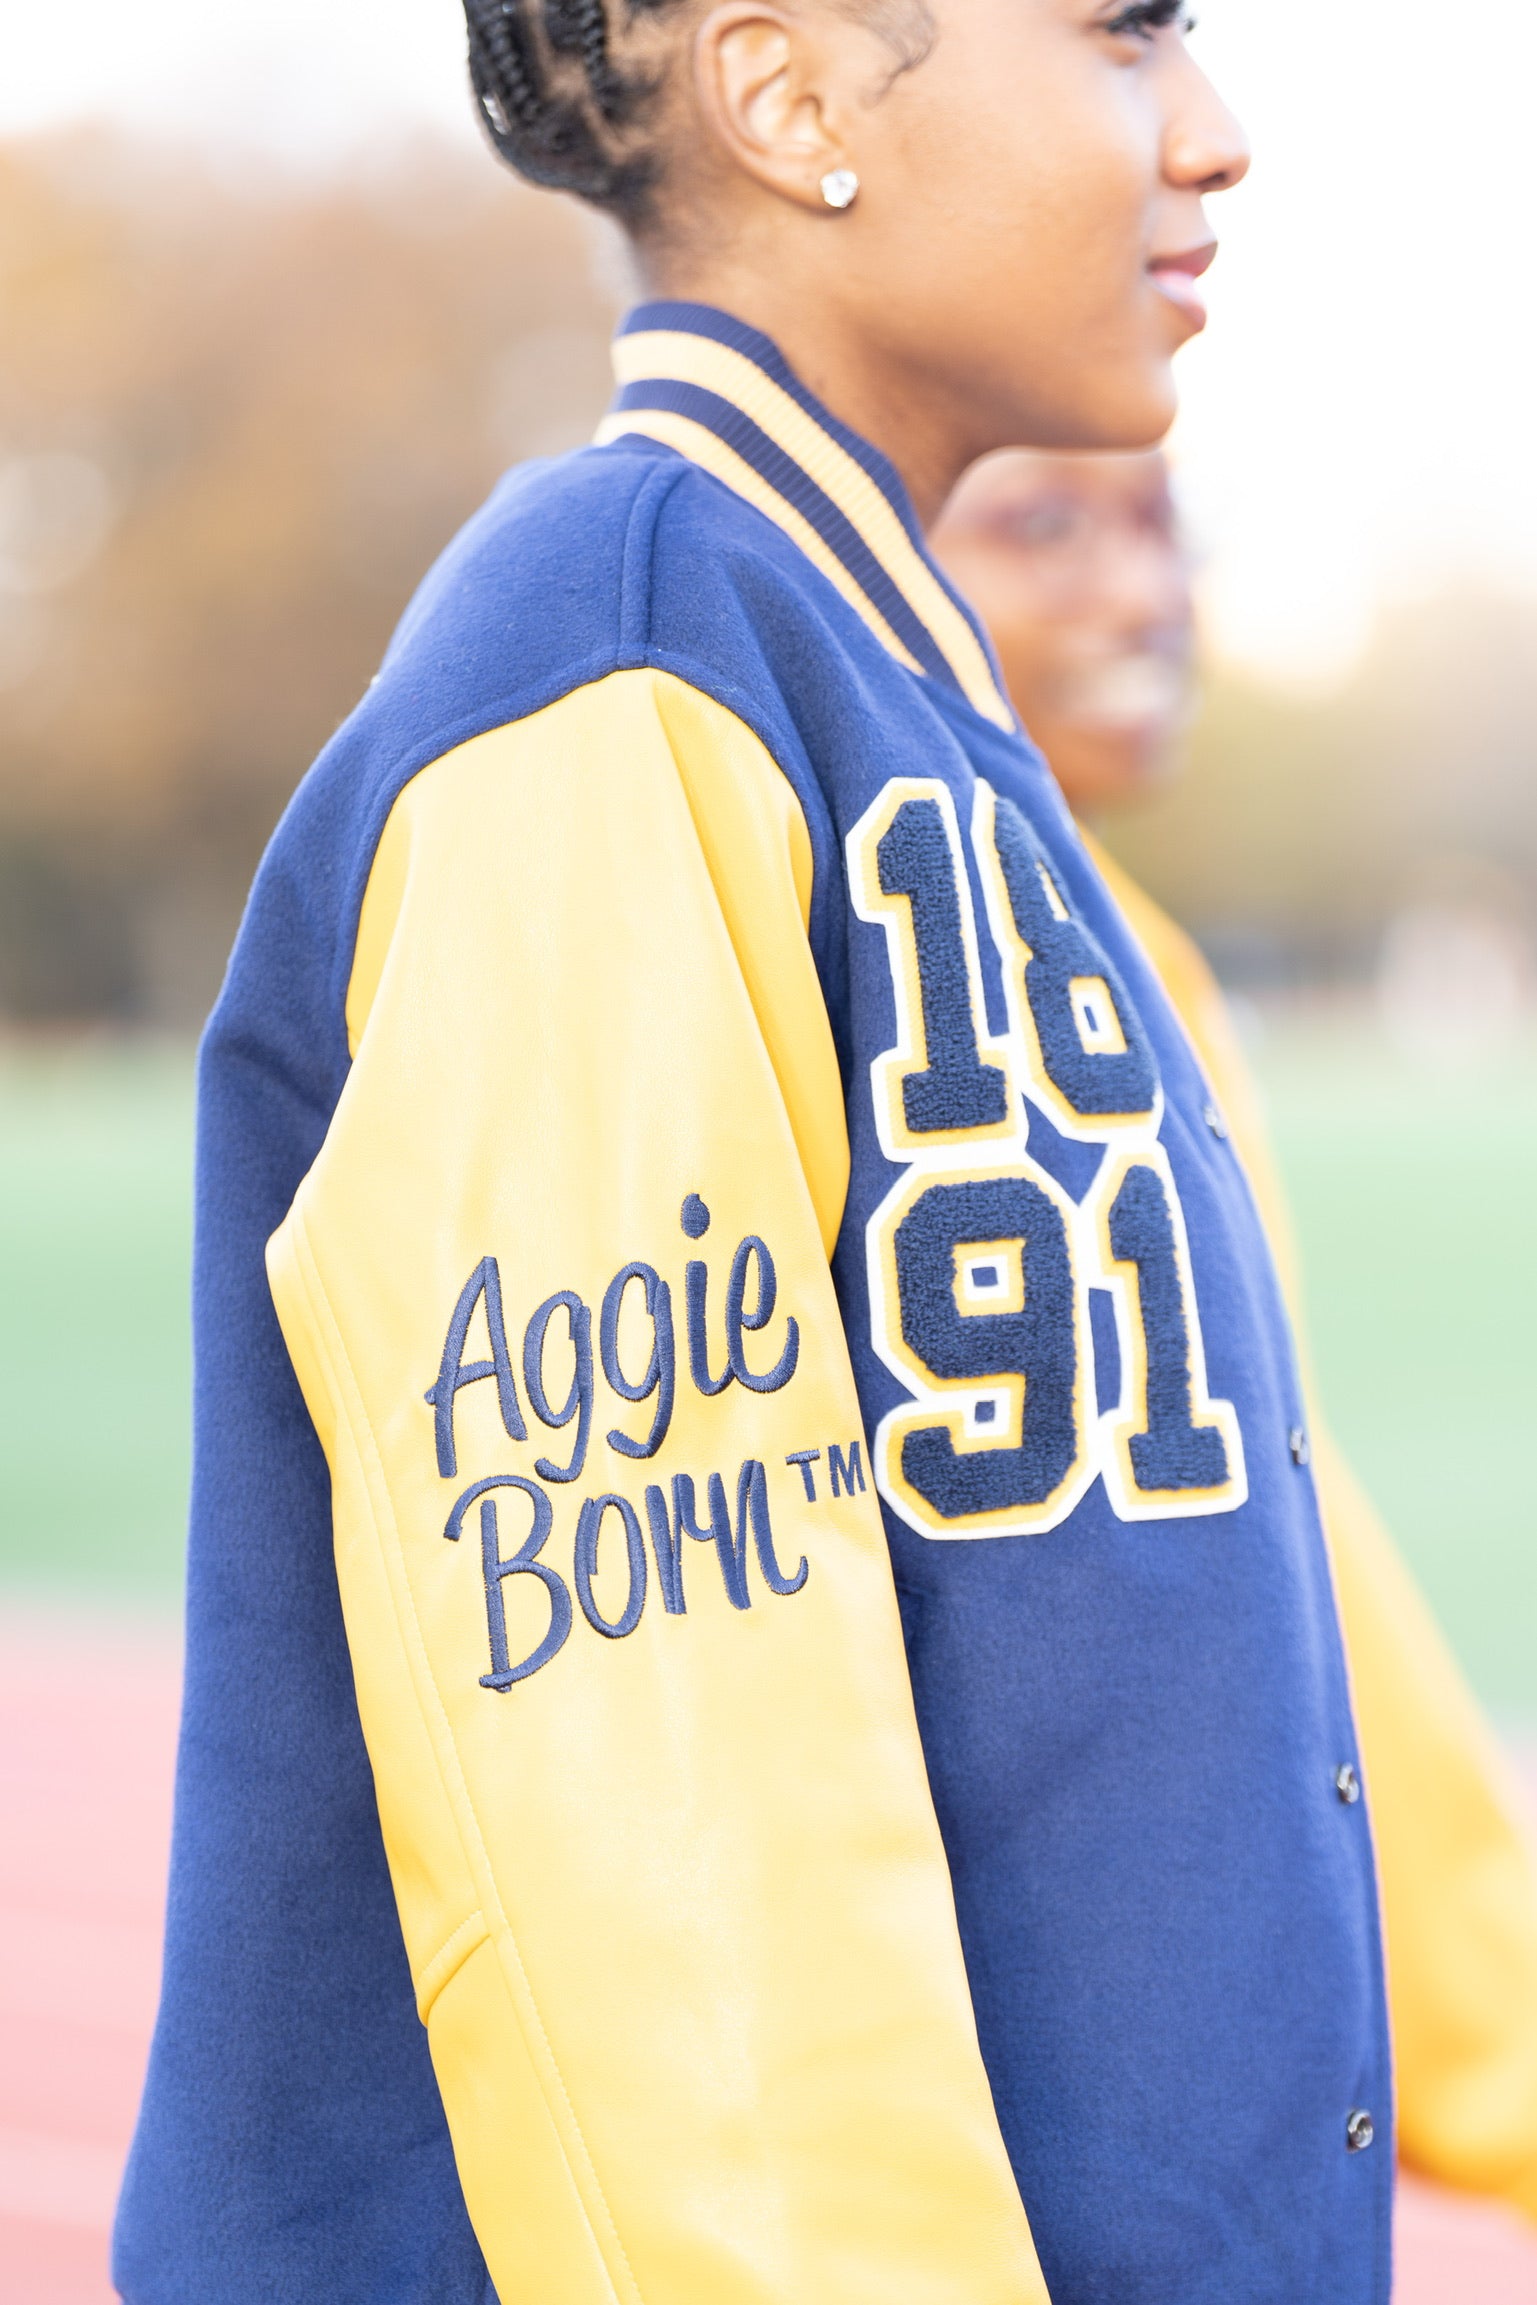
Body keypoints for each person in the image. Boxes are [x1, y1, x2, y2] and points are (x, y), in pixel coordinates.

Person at [112, 4, 1398, 2299]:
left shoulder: (896, 694)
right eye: (1124, 34)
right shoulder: (617, 675)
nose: (1211, 134)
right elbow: (666, 1824)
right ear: (789, 96)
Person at [931, 444, 1537, 2227]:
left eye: (1163, 528)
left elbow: (1291, 1561)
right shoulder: (929, 963)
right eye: (1044, 523)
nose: (1147, 593)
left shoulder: (1138, 960)